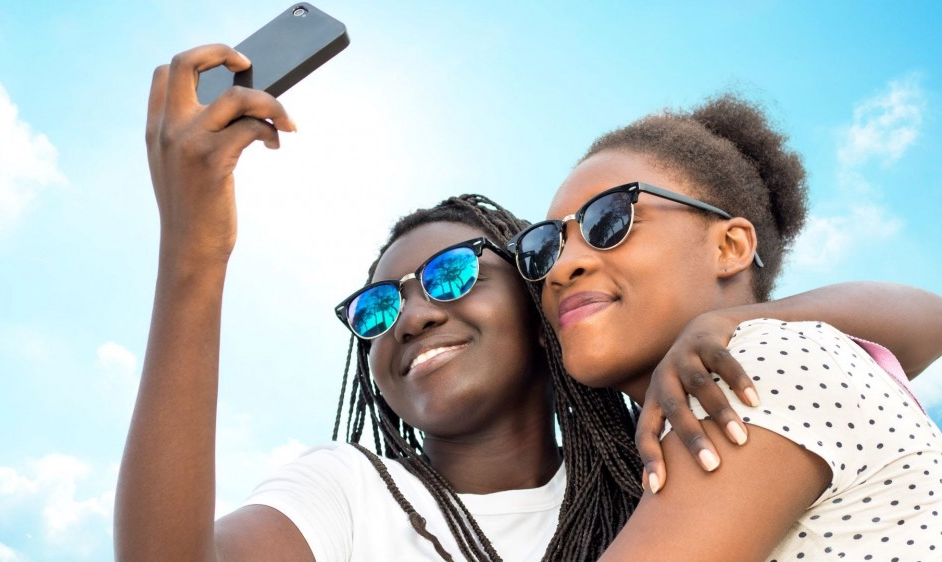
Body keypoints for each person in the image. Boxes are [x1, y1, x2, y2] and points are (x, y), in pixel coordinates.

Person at [115, 44, 942, 562]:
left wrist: (731, 322)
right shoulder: (350, 491)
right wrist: (194, 254)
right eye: (372, 310)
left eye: (451, 276)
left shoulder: (713, 407)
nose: (411, 315)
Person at [506, 93, 942, 559]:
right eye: (544, 246)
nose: (560, 268)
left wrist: (732, 324)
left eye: (609, 220)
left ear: (730, 247)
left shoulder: (761, 362)